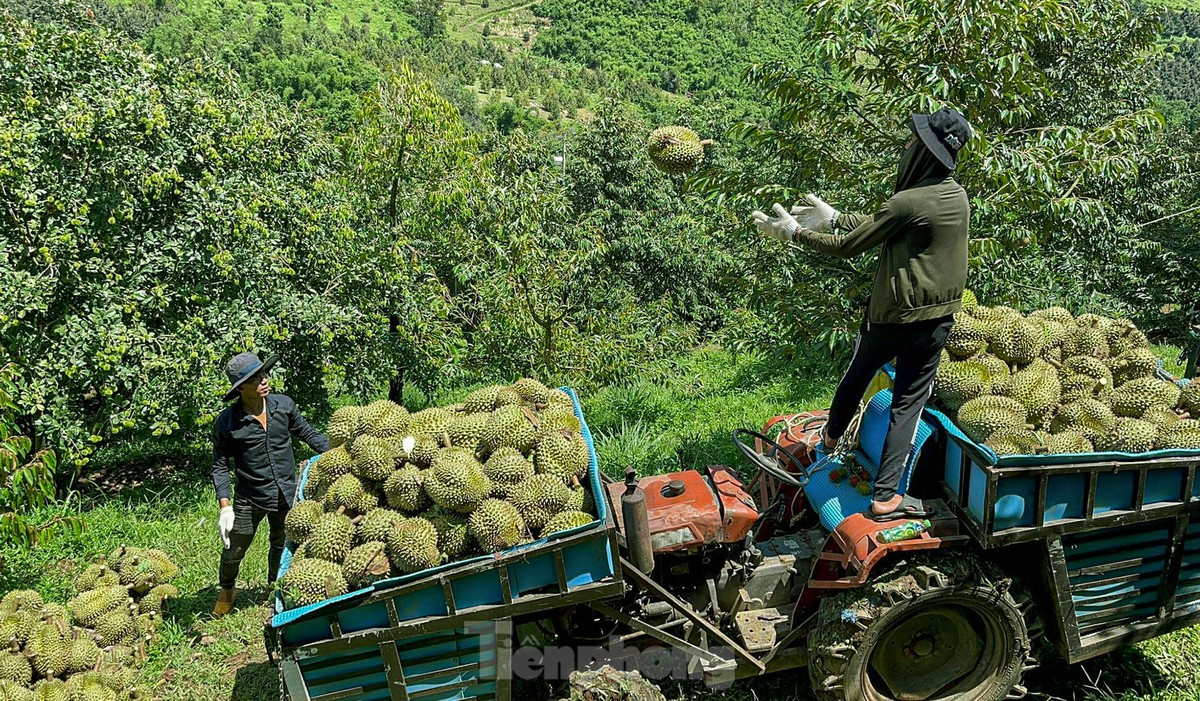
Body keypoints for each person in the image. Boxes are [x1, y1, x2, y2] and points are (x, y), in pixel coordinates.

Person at [753, 107, 973, 521]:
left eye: (912, 142)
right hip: (938, 319)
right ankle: (887, 495)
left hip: (891, 319)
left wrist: (796, 233)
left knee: (857, 376)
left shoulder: (908, 200)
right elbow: (881, 223)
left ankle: (829, 441)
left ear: (924, 153)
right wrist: (834, 217)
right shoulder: (954, 196)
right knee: (908, 404)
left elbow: (848, 246)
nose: (907, 147)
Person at [210, 352, 329, 616]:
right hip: (249, 497)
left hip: (286, 492)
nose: (264, 380)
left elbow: (308, 433)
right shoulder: (228, 423)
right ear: (241, 387)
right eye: (255, 378)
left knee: (281, 543)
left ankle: (274, 588)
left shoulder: (283, 406)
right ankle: (227, 589)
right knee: (234, 547)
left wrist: (335, 452)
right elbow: (219, 464)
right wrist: (224, 506)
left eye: (264, 373)